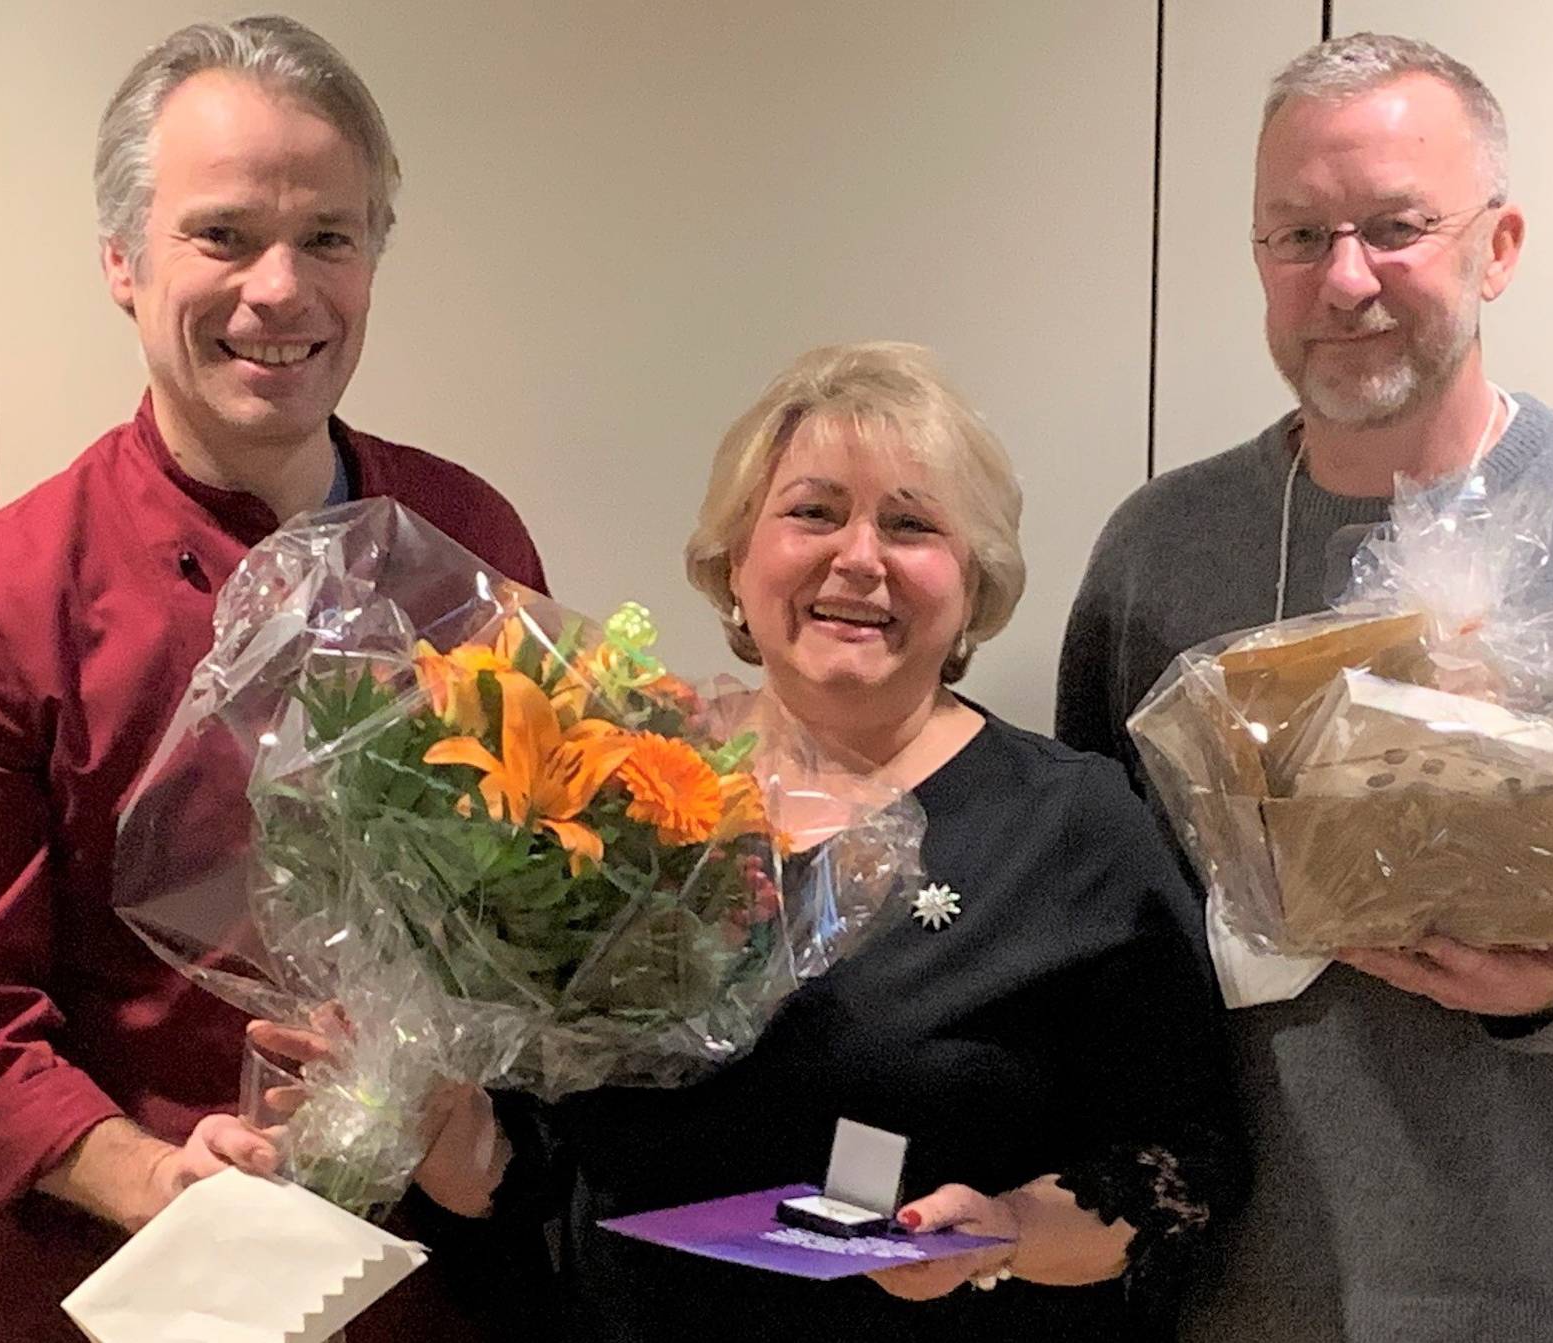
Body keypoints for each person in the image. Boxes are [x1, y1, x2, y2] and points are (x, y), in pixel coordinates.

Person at [1056, 32, 1553, 1342]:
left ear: (1499, 244)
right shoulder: (1161, 552)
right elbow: (1094, 911)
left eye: (1396, 226)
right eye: (1298, 235)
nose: (1344, 277)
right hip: (1238, 1292)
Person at [0, 18, 549, 1342]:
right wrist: (150, 1176)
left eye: (329, 237)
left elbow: (541, 905)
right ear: (122, 259)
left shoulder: (469, 539)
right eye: (224, 235)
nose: (281, 290)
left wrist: (470, 1118)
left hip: (431, 1291)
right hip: (126, 1286)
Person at [321, 341, 1241, 1340]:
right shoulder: (612, 793)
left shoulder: (1072, 826)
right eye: (814, 512)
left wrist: (1008, 1229)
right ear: (735, 561)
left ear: (974, 583)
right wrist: (434, 1124)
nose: (859, 557)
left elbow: (1185, 1163)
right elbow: (534, 1166)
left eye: (911, 524)